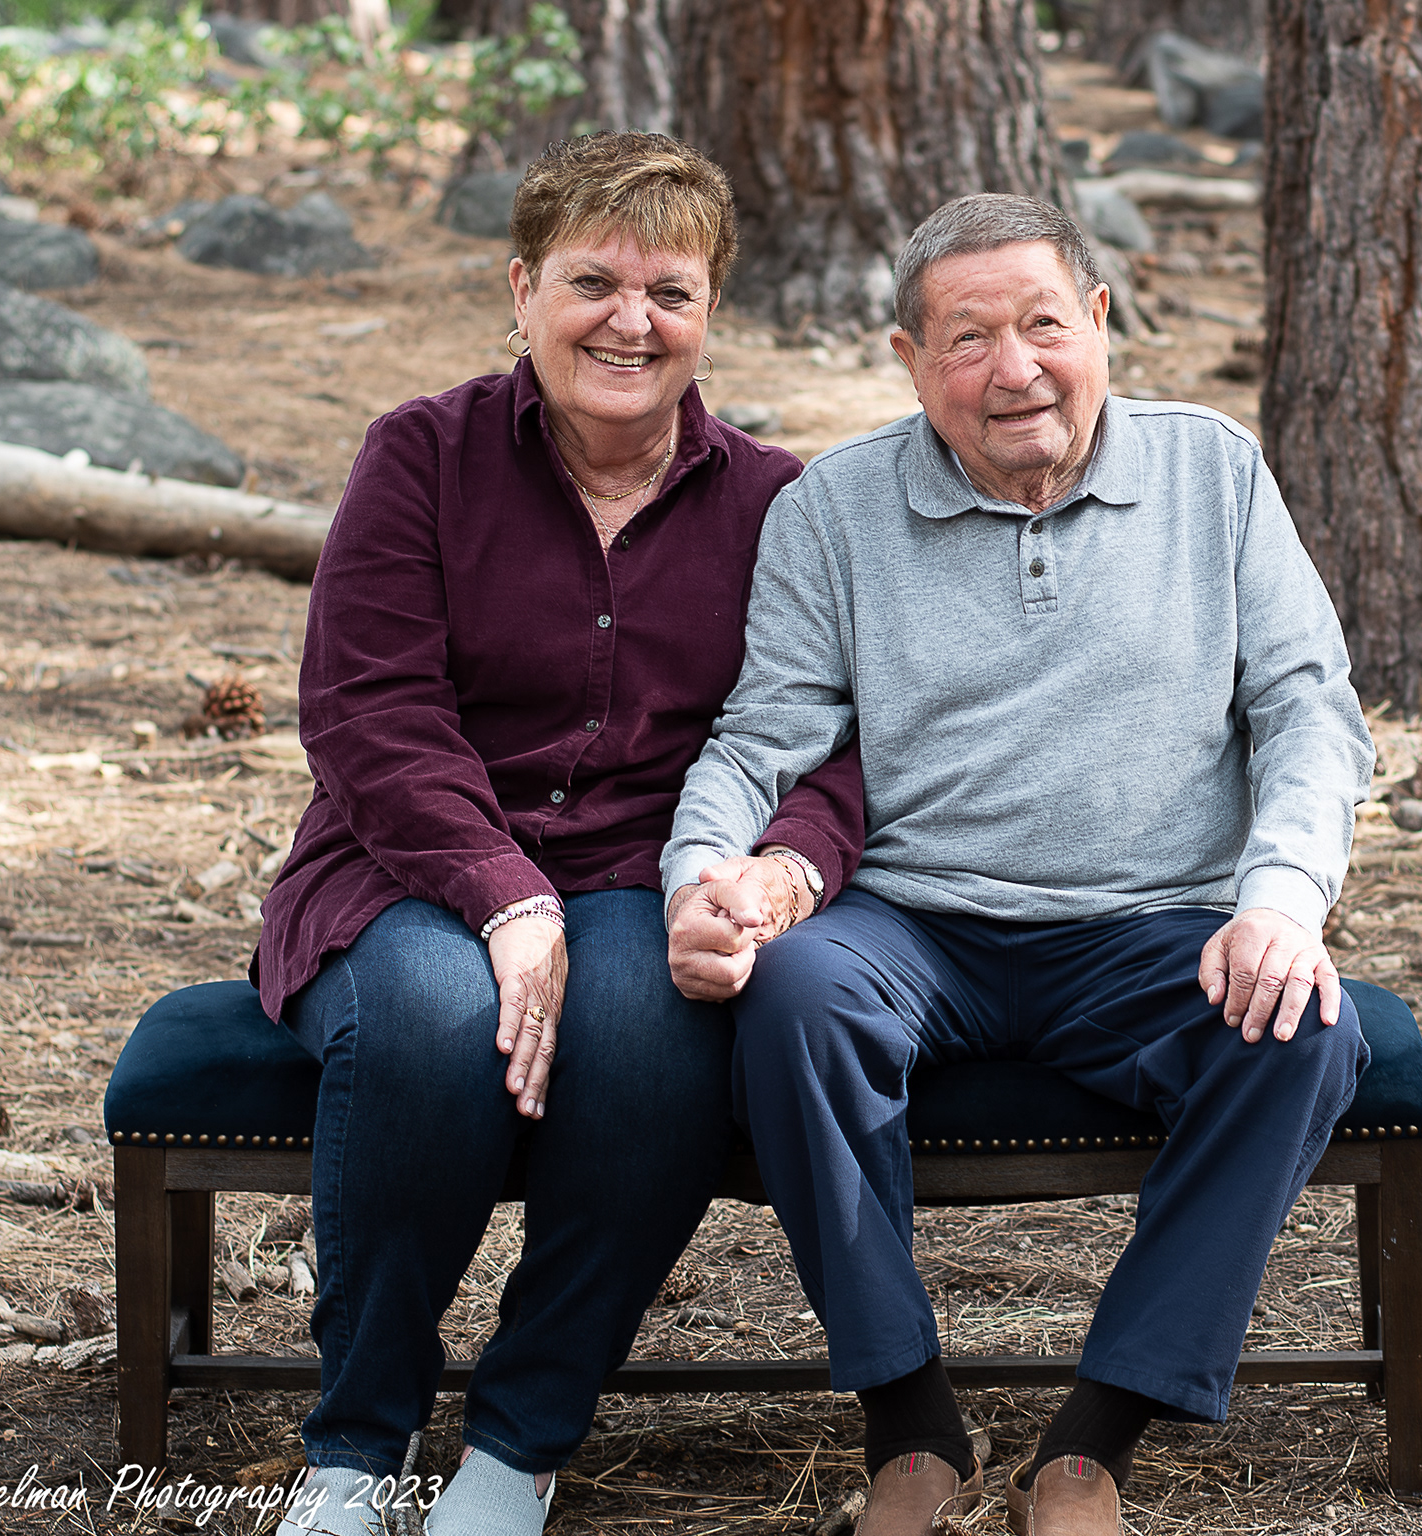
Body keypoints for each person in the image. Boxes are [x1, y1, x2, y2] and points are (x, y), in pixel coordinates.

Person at [663, 193, 1378, 1536]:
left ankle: (1093, 1444)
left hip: (1151, 927)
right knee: (792, 995)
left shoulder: (1214, 472)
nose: (1016, 369)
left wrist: (1281, 901)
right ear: (909, 360)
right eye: (968, 338)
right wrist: (699, 872)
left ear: (1099, 321)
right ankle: (911, 1423)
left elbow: (1307, 713)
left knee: (1302, 1029)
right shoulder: (835, 509)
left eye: (1045, 324)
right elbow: (763, 735)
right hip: (914, 926)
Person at [255, 132, 864, 1536]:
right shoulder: (422, 455)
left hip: (645, 873)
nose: (630, 322)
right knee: (425, 1018)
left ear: (711, 313)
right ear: (522, 290)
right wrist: (503, 895)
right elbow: (367, 711)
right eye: (594, 282)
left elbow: (835, 745)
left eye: (671, 292)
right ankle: (358, 1446)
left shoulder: (777, 502)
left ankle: (519, 1439)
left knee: (654, 1034)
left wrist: (772, 874)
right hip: (408, 862)